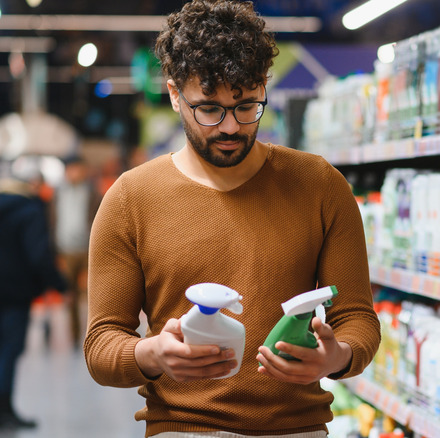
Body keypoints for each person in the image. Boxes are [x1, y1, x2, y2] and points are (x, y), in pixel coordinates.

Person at [83, 1, 380, 437]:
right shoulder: (131, 199)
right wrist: (152, 354)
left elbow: (357, 316)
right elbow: (102, 343)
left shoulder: (320, 185)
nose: (229, 127)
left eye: (246, 106)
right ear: (173, 94)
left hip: (297, 428)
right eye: (208, 108)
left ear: (264, 86)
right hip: (183, 428)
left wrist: (338, 357)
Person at [0, 176, 66, 430]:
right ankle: (4, 410)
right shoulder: (30, 210)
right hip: (16, 293)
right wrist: (58, 284)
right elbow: (39, 254)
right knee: (9, 351)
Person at [52, 155, 100, 347]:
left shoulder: (93, 193)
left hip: (89, 249)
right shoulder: (58, 193)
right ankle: (73, 336)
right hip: (66, 250)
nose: (74, 173)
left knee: (93, 293)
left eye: (77, 169)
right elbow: (53, 220)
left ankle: (95, 334)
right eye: (71, 169)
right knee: (69, 294)